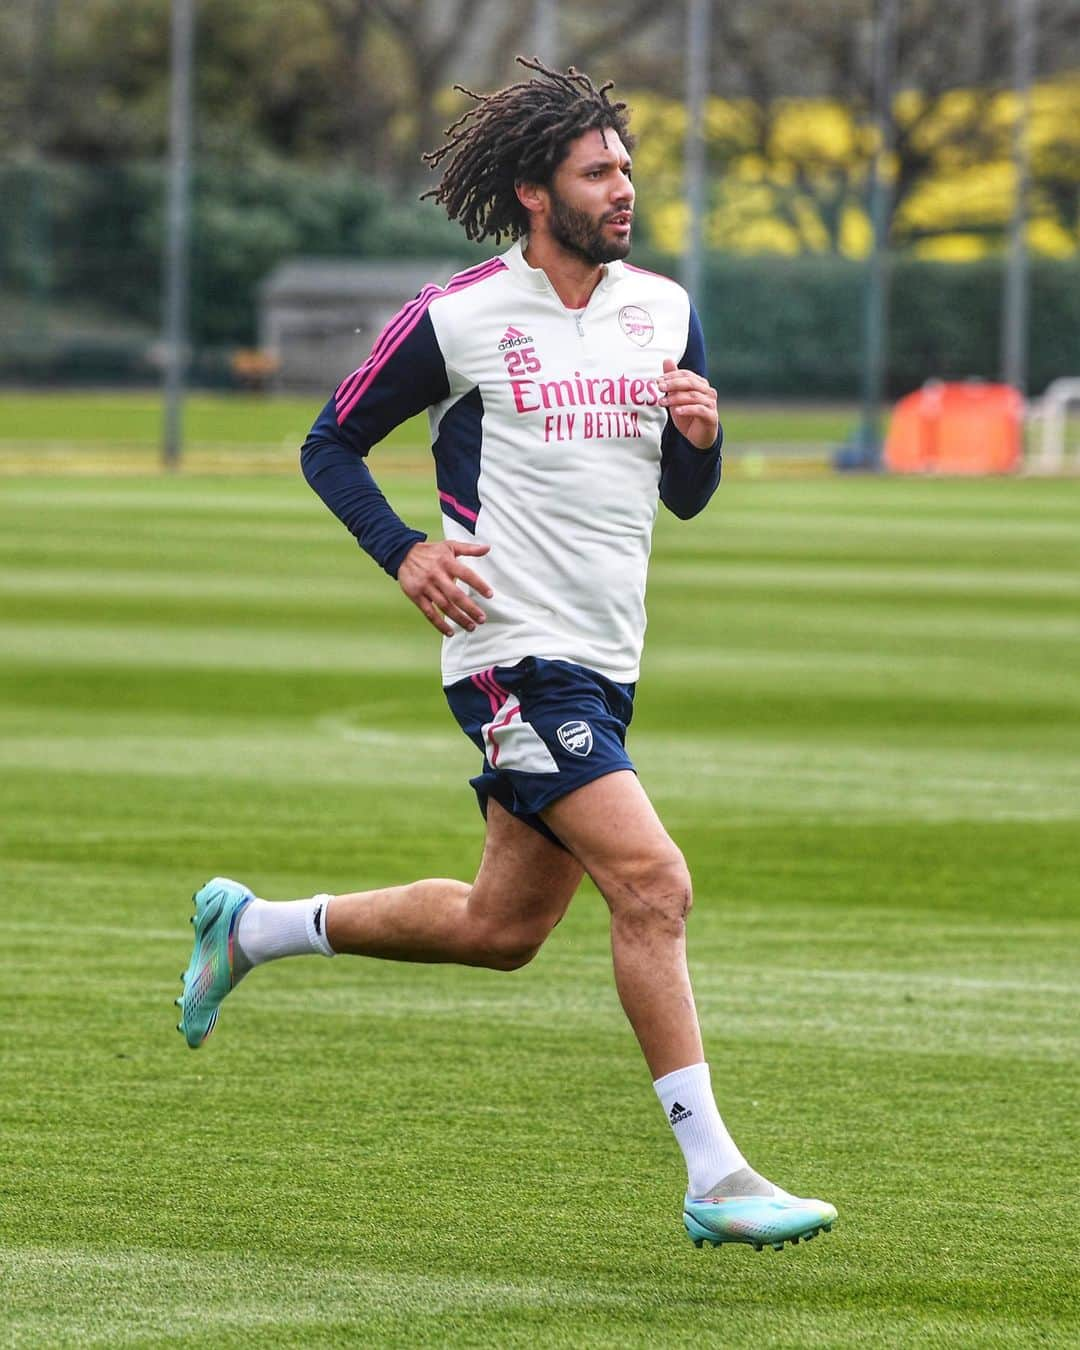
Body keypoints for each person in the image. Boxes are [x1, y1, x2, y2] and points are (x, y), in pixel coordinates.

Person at [176, 58, 836, 1253]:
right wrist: (404, 553)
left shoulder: (668, 308)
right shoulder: (461, 315)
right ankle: (716, 1175)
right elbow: (331, 443)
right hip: (508, 650)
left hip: (607, 654)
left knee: (503, 929)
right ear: (537, 191)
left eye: (628, 167)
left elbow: (682, 497)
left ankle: (256, 927)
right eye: (599, 171)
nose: (623, 188)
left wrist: (702, 442)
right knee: (654, 884)